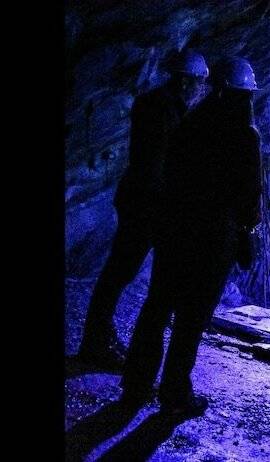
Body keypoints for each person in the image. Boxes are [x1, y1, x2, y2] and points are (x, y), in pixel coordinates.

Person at [119, 57, 262, 416]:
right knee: (191, 319)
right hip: (214, 239)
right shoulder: (245, 135)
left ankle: (136, 384)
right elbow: (249, 193)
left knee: (157, 306)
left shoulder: (190, 122)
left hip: (175, 230)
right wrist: (247, 234)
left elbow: (170, 174)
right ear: (242, 94)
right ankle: (174, 391)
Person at [77, 51, 209, 369]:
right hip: (145, 203)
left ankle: (98, 339)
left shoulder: (159, 104)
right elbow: (156, 164)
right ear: (186, 81)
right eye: (199, 83)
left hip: (140, 199)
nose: (200, 90)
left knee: (120, 271)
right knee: (119, 272)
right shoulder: (163, 109)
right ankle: (95, 343)